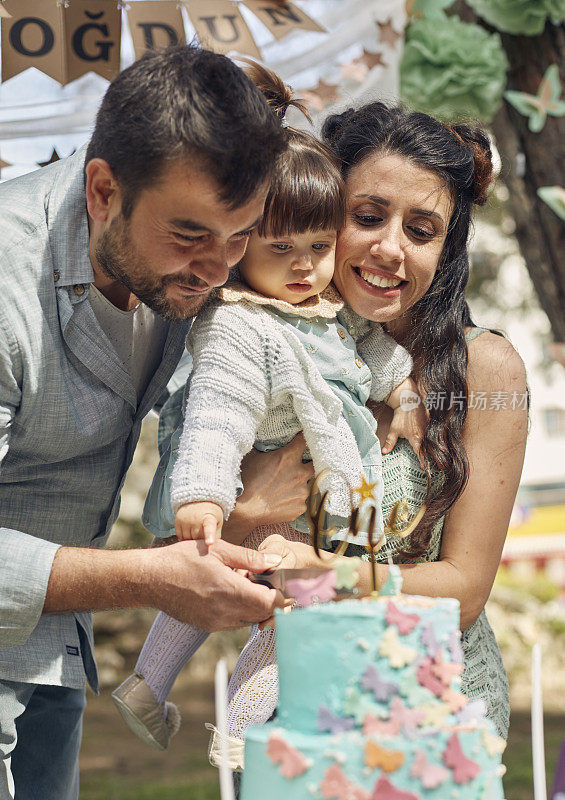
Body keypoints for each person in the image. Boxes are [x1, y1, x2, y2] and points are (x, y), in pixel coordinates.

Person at [0, 45, 319, 800]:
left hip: (53, 651)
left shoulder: (194, 264)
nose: (216, 270)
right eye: (189, 237)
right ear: (103, 190)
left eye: (239, 237)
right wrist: (149, 578)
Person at [112, 65, 426, 758]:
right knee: (287, 614)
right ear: (238, 244)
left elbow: (366, 356)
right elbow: (217, 414)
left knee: (270, 606)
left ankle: (148, 686)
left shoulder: (319, 315)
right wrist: (201, 493)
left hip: (322, 494)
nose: (304, 268)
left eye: (318, 248)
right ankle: (239, 736)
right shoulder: (238, 327)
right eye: (279, 248)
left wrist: (401, 393)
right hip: (263, 498)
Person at [256, 103, 528, 741]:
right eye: (368, 216)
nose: (390, 248)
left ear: (446, 249)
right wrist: (247, 506)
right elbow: (206, 536)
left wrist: (321, 575)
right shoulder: (267, 344)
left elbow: (463, 592)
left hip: (434, 721)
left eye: (422, 229)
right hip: (291, 708)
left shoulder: (485, 372)